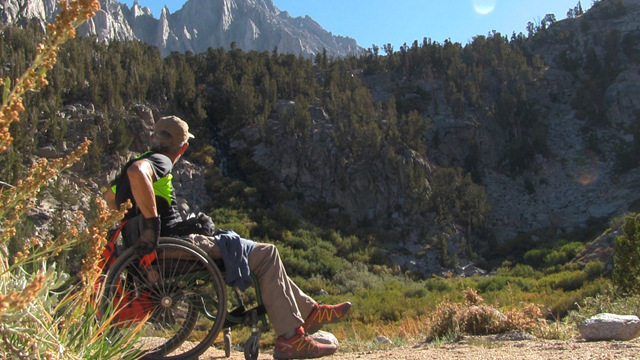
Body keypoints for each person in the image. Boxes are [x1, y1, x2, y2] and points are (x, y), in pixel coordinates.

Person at [103, 115, 351, 359]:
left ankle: (309, 312)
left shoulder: (130, 167)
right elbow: (139, 172)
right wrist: (152, 226)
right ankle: (291, 338)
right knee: (266, 254)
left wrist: (137, 222)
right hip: (173, 248)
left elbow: (109, 200)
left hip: (159, 251)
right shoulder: (159, 161)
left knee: (249, 248)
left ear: (151, 138)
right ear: (184, 148)